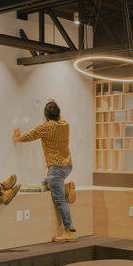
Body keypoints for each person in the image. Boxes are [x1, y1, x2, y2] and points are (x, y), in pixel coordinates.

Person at [13, 100, 77, 243]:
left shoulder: (46, 127)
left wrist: (17, 139)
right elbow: (61, 116)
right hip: (67, 166)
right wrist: (53, 103)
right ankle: (66, 188)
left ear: (46, 115)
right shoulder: (65, 124)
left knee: (60, 200)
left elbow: (31, 135)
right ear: (59, 113)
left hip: (56, 168)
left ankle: (70, 230)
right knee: (44, 184)